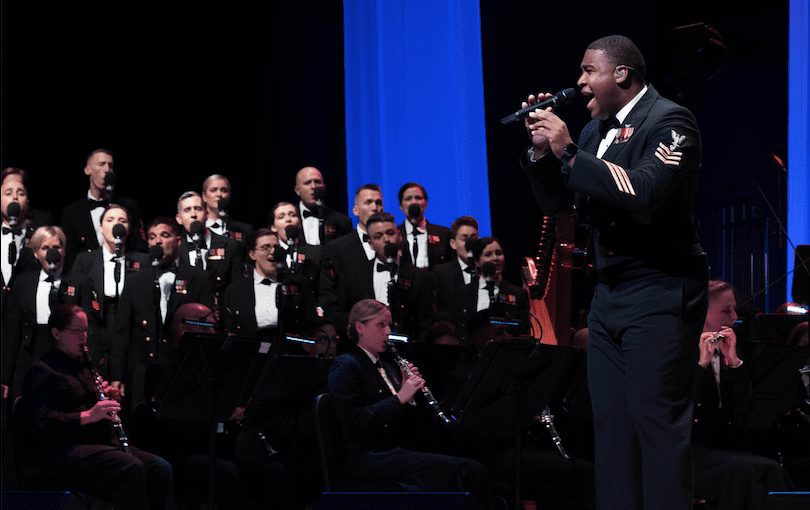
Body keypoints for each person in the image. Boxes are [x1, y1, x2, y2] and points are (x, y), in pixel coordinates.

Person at [519, 35, 709, 508]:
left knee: (656, 426)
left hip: (659, 288)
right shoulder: (593, 132)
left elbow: (643, 191)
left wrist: (568, 153)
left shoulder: (670, 121)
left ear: (620, 74)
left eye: (589, 71)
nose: (579, 82)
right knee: (612, 430)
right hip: (608, 295)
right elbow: (560, 207)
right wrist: (543, 153)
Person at [328, 299, 494, 509]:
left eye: (389, 325)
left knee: (471, 469)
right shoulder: (346, 364)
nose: (388, 332)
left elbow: (405, 421)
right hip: (367, 456)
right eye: (381, 325)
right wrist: (399, 398)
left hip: (396, 451)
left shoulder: (387, 365)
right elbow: (352, 423)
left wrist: (412, 397)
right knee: (468, 472)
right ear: (360, 327)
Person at [20, 304, 172, 510]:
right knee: (131, 467)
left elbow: (90, 402)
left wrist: (107, 396)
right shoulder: (43, 370)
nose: (83, 337)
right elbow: (40, 422)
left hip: (98, 444)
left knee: (160, 468)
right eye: (77, 331)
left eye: (86, 330)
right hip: (65, 449)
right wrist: (86, 416)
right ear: (56, 333)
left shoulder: (85, 365)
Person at [691, 280, 794, 510]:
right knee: (746, 474)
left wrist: (735, 363)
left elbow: (742, 410)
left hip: (721, 448)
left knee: (772, 470)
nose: (734, 317)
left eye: (734, 309)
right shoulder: (680, 351)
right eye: (726, 310)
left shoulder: (729, 348)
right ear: (701, 311)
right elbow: (679, 408)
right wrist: (701, 366)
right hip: (687, 452)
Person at [109, 218, 214, 408]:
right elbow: (122, 332)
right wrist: (117, 375)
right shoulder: (135, 281)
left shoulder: (199, 278)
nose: (158, 241)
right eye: (152, 237)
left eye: (165, 235)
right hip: (143, 369)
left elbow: (207, 327)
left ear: (178, 241)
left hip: (182, 370)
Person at [2, 226, 80, 401]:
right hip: (31, 356)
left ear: (64, 251)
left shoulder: (76, 282)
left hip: (66, 360)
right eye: (45, 248)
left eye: (56, 247)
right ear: (36, 253)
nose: (52, 253)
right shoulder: (24, 283)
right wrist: (5, 377)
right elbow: (12, 332)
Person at [71, 205, 148, 378]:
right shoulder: (85, 260)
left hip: (131, 336)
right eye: (110, 220)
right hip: (96, 331)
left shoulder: (143, 261)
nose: (116, 224)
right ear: (100, 227)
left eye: (122, 220)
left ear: (129, 229)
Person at [222, 228, 318, 342]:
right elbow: (230, 328)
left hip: (287, 347)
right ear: (252, 254)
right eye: (265, 247)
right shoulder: (236, 290)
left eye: (276, 247)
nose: (273, 252)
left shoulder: (297, 284)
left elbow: (311, 322)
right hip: (252, 347)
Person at [60, 149, 146, 270]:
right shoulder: (72, 212)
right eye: (101, 164)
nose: (107, 169)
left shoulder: (128, 206)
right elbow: (69, 254)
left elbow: (139, 245)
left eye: (110, 166)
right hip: (87, 273)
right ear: (88, 170)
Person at [318, 184, 383, 331]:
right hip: (352, 331)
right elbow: (328, 296)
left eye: (378, 203)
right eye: (368, 202)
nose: (374, 208)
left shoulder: (395, 245)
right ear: (355, 210)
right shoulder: (337, 249)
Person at [175, 191, 246, 315]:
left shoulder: (231, 246)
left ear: (206, 214)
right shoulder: (175, 250)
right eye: (187, 210)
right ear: (179, 218)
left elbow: (237, 291)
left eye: (198, 209)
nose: (193, 214)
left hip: (222, 317)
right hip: (184, 318)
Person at [450, 237, 528, 346]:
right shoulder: (463, 292)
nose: (495, 258)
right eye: (488, 254)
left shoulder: (518, 294)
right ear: (477, 262)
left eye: (499, 253)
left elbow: (523, 330)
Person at [1, 168, 51, 299]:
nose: (15, 197)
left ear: (27, 202)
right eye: (8, 193)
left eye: (21, 193)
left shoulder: (38, 234)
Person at [432, 215, 479, 318]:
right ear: (453, 244)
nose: (470, 244)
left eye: (473, 238)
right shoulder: (442, 273)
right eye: (464, 239)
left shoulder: (485, 271)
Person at [397, 182, 452, 270]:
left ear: (426, 203)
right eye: (408, 199)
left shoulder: (444, 234)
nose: (414, 202)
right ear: (400, 206)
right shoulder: (395, 234)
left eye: (418, 198)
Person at [293, 166, 352, 246]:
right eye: (307, 183)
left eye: (317, 182)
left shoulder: (341, 221)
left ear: (324, 187)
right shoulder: (288, 219)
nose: (313, 186)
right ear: (297, 190)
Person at [201, 173, 254, 242]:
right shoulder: (196, 228)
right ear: (204, 196)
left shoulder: (243, 230)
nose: (219, 194)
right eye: (213, 190)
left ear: (229, 195)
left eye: (224, 190)